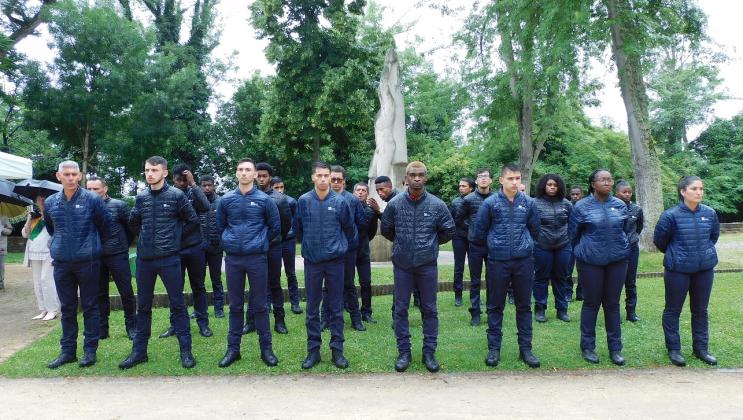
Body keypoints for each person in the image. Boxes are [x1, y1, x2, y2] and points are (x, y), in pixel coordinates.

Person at [120, 156, 199, 370]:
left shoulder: (176, 196)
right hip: (145, 259)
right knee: (143, 306)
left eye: (154, 170)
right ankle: (139, 352)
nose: (149, 174)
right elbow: (133, 222)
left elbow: (192, 221)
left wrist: (174, 238)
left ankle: (186, 351)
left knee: (178, 305)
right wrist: (145, 238)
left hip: (170, 258)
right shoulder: (141, 197)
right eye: (146, 170)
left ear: (164, 173)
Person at [382, 161, 454, 373]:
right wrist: (403, 243)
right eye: (412, 175)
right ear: (406, 177)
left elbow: (448, 230)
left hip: (427, 265)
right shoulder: (395, 204)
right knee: (401, 308)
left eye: (420, 175)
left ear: (426, 177)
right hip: (403, 265)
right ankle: (404, 351)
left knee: (429, 308)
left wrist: (429, 244)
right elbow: (387, 229)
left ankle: (429, 352)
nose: (416, 178)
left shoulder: (437, 205)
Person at [44, 160, 111, 369]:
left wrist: (93, 247)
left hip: (88, 262)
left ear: (80, 176)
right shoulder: (51, 202)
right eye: (67, 174)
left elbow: (106, 226)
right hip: (62, 263)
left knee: (91, 306)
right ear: (59, 176)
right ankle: (68, 351)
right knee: (67, 308)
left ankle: (90, 351)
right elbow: (51, 228)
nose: (71, 178)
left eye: (75, 174)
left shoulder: (92, 199)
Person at [474, 163, 541, 368]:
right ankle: (494, 349)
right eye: (510, 178)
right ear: (501, 180)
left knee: (524, 306)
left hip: (523, 262)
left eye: (518, 178)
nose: (514, 182)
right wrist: (495, 247)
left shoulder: (529, 203)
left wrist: (526, 246)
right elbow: (480, 231)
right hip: (497, 262)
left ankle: (526, 349)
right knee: (495, 306)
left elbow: (535, 230)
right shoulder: (490, 203)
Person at [217, 158, 280, 368]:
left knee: (260, 305)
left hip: (257, 258)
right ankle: (233, 350)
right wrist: (230, 242)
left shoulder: (265, 200)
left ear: (255, 175)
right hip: (234, 259)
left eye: (248, 170)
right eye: (240, 169)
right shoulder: (225, 200)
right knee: (235, 306)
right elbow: (220, 227)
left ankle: (267, 350)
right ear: (236, 174)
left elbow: (275, 228)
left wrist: (259, 242)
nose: (244, 173)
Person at [654, 176, 720, 367]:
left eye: (701, 188)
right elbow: (660, 241)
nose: (699, 192)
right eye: (694, 189)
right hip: (678, 270)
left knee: (700, 310)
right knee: (673, 310)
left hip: (704, 270)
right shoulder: (670, 215)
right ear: (683, 192)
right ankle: (674, 349)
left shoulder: (710, 213)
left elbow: (713, 237)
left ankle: (701, 349)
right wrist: (678, 254)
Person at [295, 161, 354, 370]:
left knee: (336, 308)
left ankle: (337, 350)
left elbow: (350, 230)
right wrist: (310, 247)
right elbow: (298, 229)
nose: (322, 179)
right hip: (312, 262)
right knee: (312, 308)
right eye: (318, 175)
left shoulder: (340, 202)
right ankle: (313, 351)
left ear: (331, 177)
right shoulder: (303, 201)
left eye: (326, 175)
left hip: (336, 262)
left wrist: (339, 247)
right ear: (313, 177)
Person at [569, 169, 630, 366]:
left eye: (609, 179)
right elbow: (573, 235)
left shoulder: (620, 205)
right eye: (602, 179)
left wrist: (622, 248)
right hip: (590, 262)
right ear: (593, 184)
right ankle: (587, 346)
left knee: (612, 304)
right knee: (591, 304)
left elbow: (627, 230)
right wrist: (584, 251)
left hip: (617, 262)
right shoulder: (581, 206)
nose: (607, 182)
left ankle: (615, 348)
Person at [158, 163, 213, 339]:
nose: (182, 183)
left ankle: (203, 323)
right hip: (175, 249)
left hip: (195, 247)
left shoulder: (193, 192)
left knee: (199, 287)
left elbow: (205, 206)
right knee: (176, 289)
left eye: (185, 179)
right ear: (172, 179)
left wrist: (193, 184)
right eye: (179, 180)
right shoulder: (167, 194)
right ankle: (175, 324)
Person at [86, 176, 137, 340]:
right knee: (100, 293)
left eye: (96, 188)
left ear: (105, 189)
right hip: (95, 256)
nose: (92, 192)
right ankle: (103, 329)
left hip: (117, 254)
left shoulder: (119, 205)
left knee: (126, 292)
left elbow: (131, 229)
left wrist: (122, 245)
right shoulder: (85, 207)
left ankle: (132, 326)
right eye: (89, 189)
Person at [244, 163, 292, 335]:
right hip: (254, 249)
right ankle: (250, 321)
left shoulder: (279, 199)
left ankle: (280, 321)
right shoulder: (248, 196)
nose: (262, 179)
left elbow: (285, 225)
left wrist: (274, 240)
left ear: (270, 177)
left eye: (265, 176)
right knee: (254, 285)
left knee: (274, 283)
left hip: (273, 247)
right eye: (259, 175)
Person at [321, 165, 368, 332]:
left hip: (348, 250)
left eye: (338, 180)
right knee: (328, 285)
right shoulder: (322, 198)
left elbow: (362, 224)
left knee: (348, 284)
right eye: (332, 179)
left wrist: (351, 241)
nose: (335, 182)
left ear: (344, 182)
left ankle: (356, 319)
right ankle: (324, 319)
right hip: (328, 250)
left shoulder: (353, 200)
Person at [532, 174, 573, 323]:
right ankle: (540, 309)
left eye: (555, 185)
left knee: (561, 278)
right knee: (541, 278)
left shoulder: (567, 204)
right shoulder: (534, 203)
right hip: (542, 246)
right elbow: (529, 225)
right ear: (543, 186)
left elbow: (573, 225)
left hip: (563, 246)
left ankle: (562, 310)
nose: (552, 187)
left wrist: (569, 240)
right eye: (549, 184)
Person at [457, 168, 494, 326]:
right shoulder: (468, 199)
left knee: (494, 280)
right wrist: (472, 229)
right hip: (475, 245)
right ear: (476, 181)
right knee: (475, 280)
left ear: (491, 180)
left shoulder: (498, 198)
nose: (484, 179)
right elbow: (459, 219)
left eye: (486, 176)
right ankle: (475, 312)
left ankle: (493, 312)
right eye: (481, 177)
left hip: (493, 246)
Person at [22, 198, 60, 320]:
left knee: (46, 280)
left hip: (48, 252)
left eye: (43, 199)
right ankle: (43, 309)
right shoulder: (34, 216)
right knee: (37, 281)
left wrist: (47, 216)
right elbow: (25, 234)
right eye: (39, 199)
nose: (41, 201)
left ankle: (52, 309)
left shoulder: (54, 212)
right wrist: (29, 218)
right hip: (34, 251)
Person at [272, 176, 302, 314]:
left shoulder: (291, 201)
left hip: (288, 240)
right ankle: (269, 303)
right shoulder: (268, 201)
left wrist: (293, 234)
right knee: (273, 273)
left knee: (291, 272)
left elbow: (297, 221)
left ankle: (295, 303)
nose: (279, 190)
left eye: (281, 187)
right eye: (276, 187)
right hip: (274, 241)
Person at [615, 180, 643, 322]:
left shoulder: (637, 209)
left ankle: (631, 312)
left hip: (632, 249)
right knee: (615, 282)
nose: (627, 194)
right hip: (615, 249)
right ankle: (614, 312)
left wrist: (632, 238)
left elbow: (639, 227)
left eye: (629, 192)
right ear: (617, 193)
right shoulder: (611, 208)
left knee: (630, 281)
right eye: (624, 192)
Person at [199, 175, 225, 318]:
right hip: (200, 248)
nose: (207, 188)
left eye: (209, 185)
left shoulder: (221, 202)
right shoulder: (196, 202)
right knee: (199, 281)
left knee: (216, 279)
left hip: (216, 247)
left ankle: (219, 308)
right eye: (204, 185)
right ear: (200, 186)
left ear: (214, 186)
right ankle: (199, 309)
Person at [353, 182, 378, 323]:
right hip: (348, 252)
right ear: (354, 192)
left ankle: (366, 312)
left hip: (363, 252)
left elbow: (372, 233)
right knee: (347, 283)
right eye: (358, 190)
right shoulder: (347, 207)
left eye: (363, 190)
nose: (361, 192)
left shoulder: (370, 212)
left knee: (366, 283)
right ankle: (349, 308)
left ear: (367, 193)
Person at [449, 177, 475, 306]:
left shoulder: (477, 200)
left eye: (464, 186)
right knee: (458, 266)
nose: (461, 188)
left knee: (474, 267)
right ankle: (458, 294)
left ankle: (474, 295)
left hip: (473, 238)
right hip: (459, 237)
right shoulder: (455, 202)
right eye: (460, 186)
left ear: (471, 188)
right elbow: (452, 220)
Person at [568, 185, 584, 301]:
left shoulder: (586, 207)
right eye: (573, 194)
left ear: (581, 194)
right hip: (568, 242)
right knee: (567, 269)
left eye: (577, 194)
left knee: (582, 269)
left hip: (582, 242)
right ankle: (568, 292)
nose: (575, 196)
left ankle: (581, 293)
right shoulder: (567, 206)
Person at [0, 214, 12, 291]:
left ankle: (0, 283)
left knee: (1, 266)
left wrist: (2, 229)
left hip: (1, 247)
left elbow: (9, 231)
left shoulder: (4, 218)